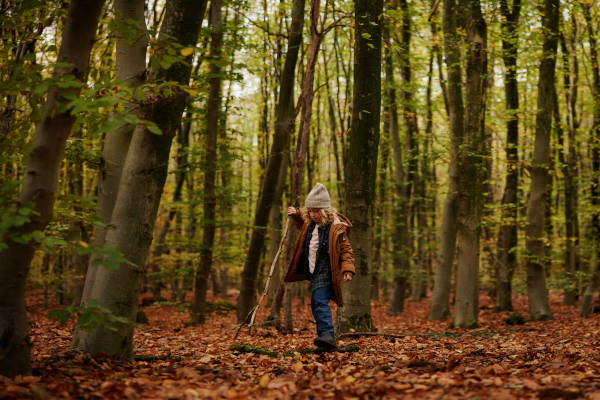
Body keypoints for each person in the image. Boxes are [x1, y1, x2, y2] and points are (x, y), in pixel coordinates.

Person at [284, 183, 355, 350]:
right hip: (313, 271)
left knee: (319, 301)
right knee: (317, 303)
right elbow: (302, 225)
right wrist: (296, 215)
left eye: (316, 211)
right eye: (310, 210)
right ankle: (325, 339)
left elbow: (346, 250)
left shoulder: (336, 227)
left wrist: (348, 269)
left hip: (327, 270)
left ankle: (327, 335)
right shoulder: (309, 224)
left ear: (324, 210)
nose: (312, 214)